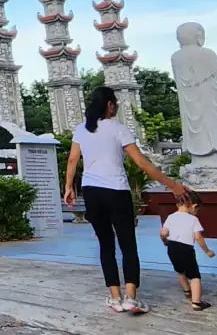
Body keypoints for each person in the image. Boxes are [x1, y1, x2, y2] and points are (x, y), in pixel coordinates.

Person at [62, 85, 186, 315]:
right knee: (128, 244)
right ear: (109, 105)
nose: (117, 106)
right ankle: (131, 298)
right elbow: (142, 164)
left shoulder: (82, 130)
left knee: (106, 245)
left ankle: (115, 297)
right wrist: (173, 185)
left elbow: (72, 161)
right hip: (117, 191)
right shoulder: (119, 129)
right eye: (115, 102)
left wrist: (69, 187)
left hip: (91, 191)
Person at [161, 192, 217, 310]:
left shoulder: (171, 216)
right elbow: (198, 237)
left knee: (180, 271)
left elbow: (163, 233)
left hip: (172, 247)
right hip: (186, 249)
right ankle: (196, 302)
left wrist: (165, 241)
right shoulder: (193, 219)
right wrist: (207, 251)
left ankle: (187, 291)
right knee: (194, 276)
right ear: (194, 206)